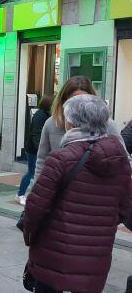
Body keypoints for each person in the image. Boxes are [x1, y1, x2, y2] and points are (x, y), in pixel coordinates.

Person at [23, 94, 131, 293]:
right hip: (96, 254)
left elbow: (35, 207)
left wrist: (30, 235)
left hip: (54, 250)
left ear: (71, 122)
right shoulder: (120, 160)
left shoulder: (61, 158)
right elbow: (127, 209)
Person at [35, 76, 124, 183]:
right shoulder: (52, 123)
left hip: (96, 191)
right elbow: (42, 161)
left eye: (83, 100)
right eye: (73, 101)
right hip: (61, 189)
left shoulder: (107, 124)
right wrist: (38, 189)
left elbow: (123, 160)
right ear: (63, 101)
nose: (79, 106)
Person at [16, 95, 52, 206]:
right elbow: (36, 133)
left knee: (35, 173)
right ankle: (20, 194)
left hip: (34, 148)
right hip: (33, 150)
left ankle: (30, 194)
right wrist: (40, 149)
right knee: (31, 172)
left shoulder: (44, 114)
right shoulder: (40, 115)